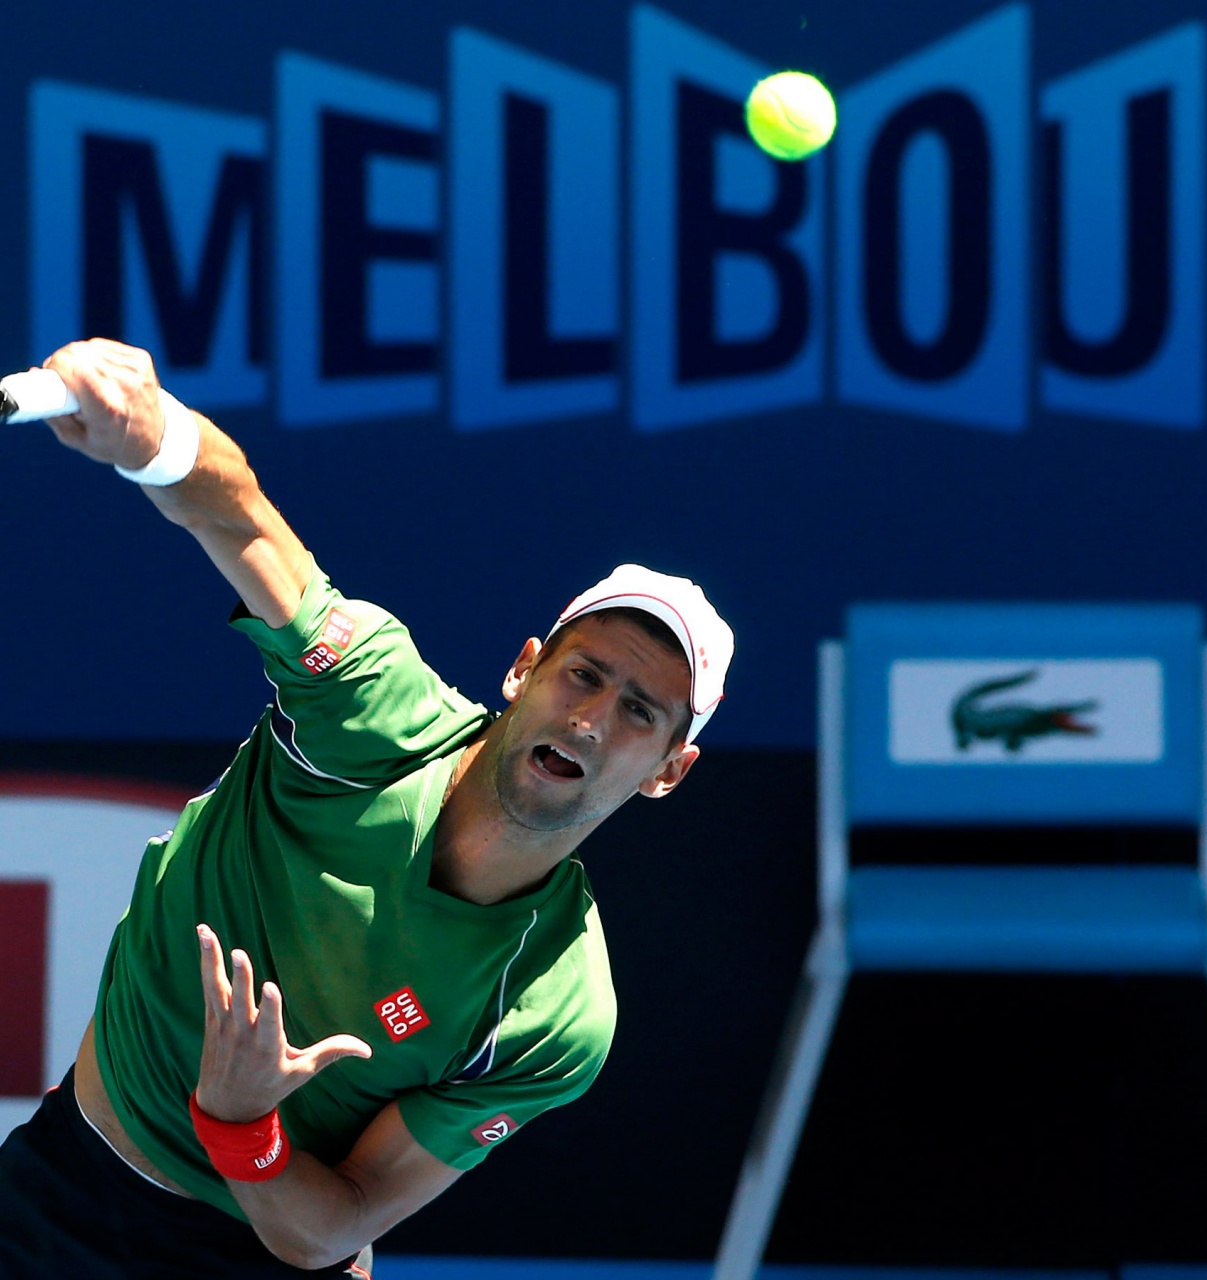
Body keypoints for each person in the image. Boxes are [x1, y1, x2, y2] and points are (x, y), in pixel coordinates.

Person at [0, 337, 734, 1277]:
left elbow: (330, 1226)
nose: (591, 721)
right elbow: (243, 522)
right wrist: (156, 435)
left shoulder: (555, 1006)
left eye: (639, 712)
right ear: (523, 671)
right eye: (582, 675)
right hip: (68, 1181)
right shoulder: (370, 707)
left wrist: (241, 1121)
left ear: (669, 769)